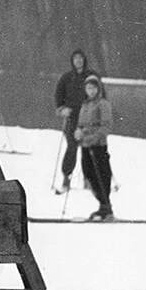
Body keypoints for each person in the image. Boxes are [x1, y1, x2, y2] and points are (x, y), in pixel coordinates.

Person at [54, 49, 97, 193]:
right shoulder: (67, 77)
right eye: (75, 58)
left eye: (80, 58)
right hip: (71, 117)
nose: (78, 61)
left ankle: (88, 180)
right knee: (72, 146)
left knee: (87, 147)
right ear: (72, 61)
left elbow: (101, 94)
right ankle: (66, 178)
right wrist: (62, 109)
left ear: (84, 60)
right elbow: (58, 95)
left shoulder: (91, 76)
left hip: (88, 116)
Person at [75, 73, 115, 220]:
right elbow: (80, 124)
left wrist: (94, 137)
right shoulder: (85, 104)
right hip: (85, 145)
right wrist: (78, 133)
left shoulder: (103, 104)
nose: (91, 91)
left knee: (101, 174)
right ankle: (102, 205)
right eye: (88, 88)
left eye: (94, 88)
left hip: (98, 145)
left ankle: (106, 206)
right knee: (88, 173)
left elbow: (106, 126)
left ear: (99, 89)